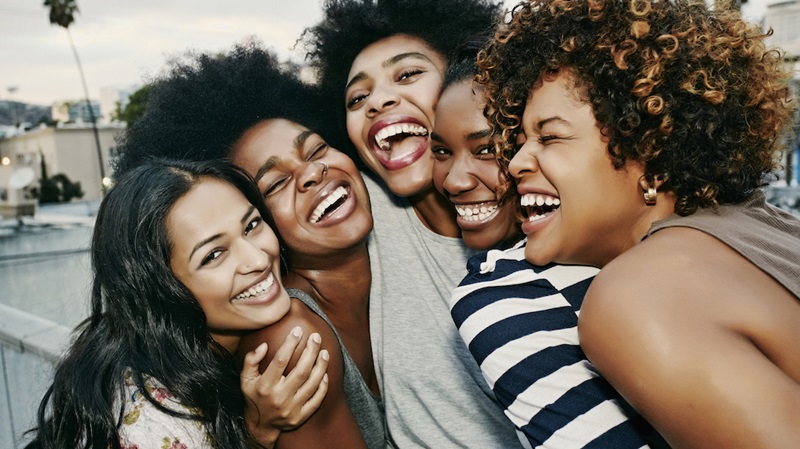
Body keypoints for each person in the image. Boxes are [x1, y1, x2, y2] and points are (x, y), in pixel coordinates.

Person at [481, 1, 800, 448]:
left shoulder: (638, 296)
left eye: (550, 136)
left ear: (649, 149)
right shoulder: (765, 228)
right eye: (518, 142)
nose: (515, 163)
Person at [113, 41, 385, 448]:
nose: (312, 173)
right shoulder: (289, 341)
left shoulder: (404, 239)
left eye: (317, 149)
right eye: (275, 184)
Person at [302, 1, 523, 447]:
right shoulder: (359, 204)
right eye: (357, 98)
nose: (378, 101)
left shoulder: (549, 221)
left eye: (407, 75)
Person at [26, 159, 349, 449]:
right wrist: (257, 433)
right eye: (213, 255)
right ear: (161, 289)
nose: (258, 258)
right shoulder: (152, 420)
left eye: (251, 226)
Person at [435, 43, 662, 448]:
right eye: (439, 152)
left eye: (488, 148)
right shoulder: (505, 295)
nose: (519, 159)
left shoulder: (711, 249)